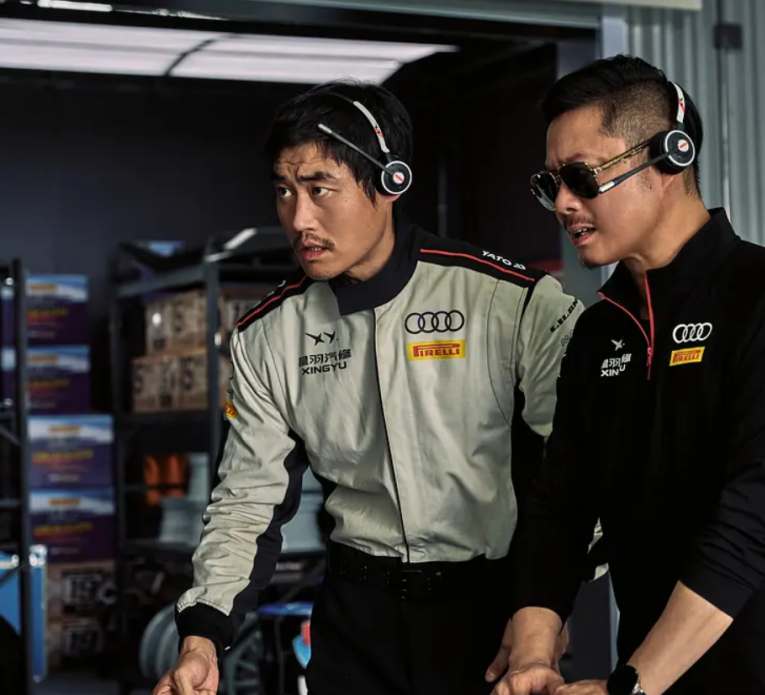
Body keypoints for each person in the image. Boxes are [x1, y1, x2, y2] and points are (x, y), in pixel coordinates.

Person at [152, 79, 584, 695]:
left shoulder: (509, 303)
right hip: (356, 623)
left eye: (320, 188)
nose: (299, 218)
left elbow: (580, 474)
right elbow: (247, 501)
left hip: (493, 617)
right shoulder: (269, 336)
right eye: (284, 190)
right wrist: (202, 638)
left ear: (390, 183)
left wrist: (546, 610)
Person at [495, 55, 765, 695]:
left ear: (670, 156)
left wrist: (633, 686)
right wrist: (533, 654)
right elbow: (560, 505)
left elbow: (756, 522)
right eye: (550, 183)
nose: (562, 203)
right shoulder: (601, 332)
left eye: (581, 177)